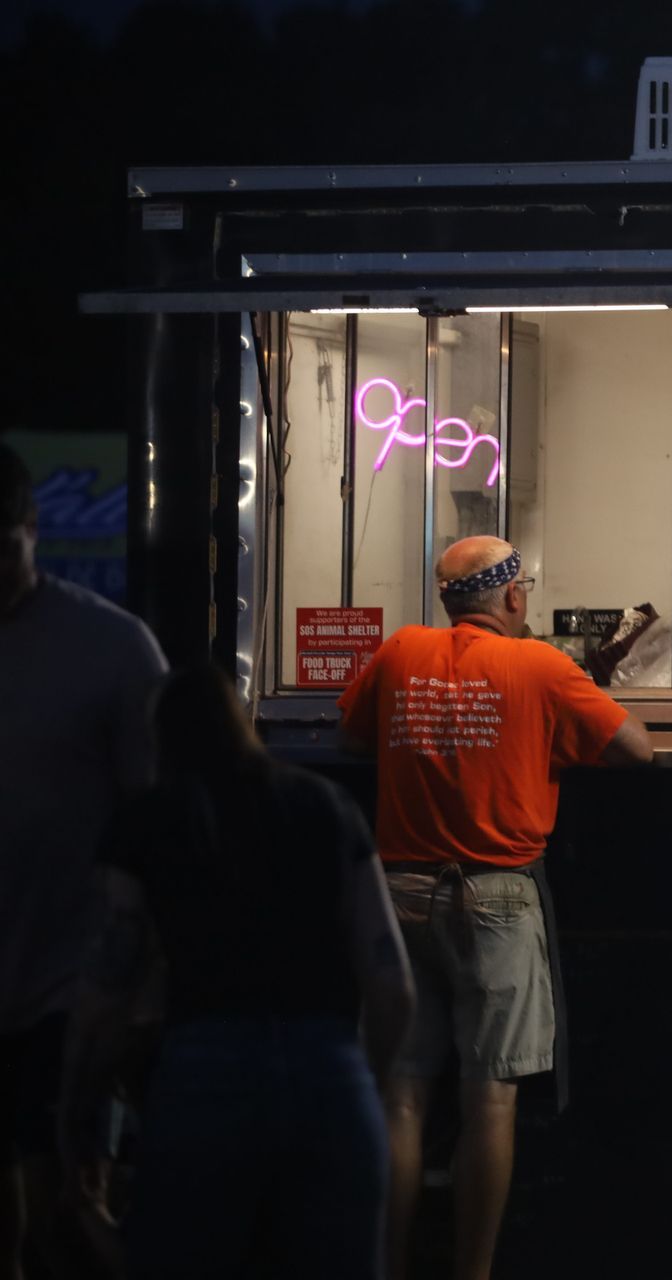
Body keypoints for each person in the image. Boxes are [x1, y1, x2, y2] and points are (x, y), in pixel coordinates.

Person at [337, 535, 653, 1280]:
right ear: (513, 597)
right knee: (490, 1102)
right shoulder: (540, 665)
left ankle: (387, 1267)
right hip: (498, 901)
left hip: (399, 895)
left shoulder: (398, 652)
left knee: (404, 1095)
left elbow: (353, 740)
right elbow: (635, 750)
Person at [60, 664, 415, 1280]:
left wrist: (74, 1109)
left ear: (160, 740)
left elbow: (104, 995)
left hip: (204, 1077)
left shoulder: (148, 821)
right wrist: (365, 1081)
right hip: (329, 1076)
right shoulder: (326, 806)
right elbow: (393, 987)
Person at [0, 439, 167, 1280]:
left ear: (32, 529)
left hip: (74, 974)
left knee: (65, 1200)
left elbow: (159, 821)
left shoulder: (110, 649)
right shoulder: (113, 649)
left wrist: (143, 982)